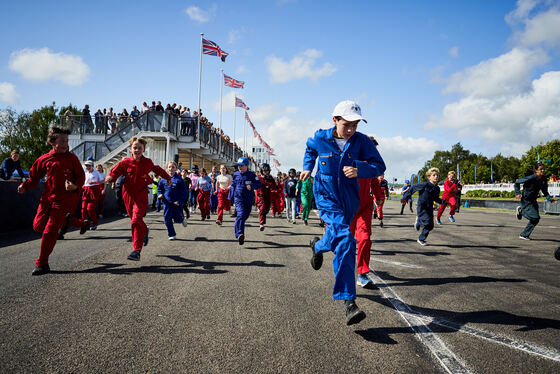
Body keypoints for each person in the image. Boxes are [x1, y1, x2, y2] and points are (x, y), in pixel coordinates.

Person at [301, 100, 385, 325]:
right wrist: (308, 167)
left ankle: (317, 246)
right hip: (327, 197)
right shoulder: (320, 137)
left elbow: (379, 165)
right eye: (346, 124)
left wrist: (360, 169)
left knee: (337, 239)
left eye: (355, 125)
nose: (351, 130)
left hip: (350, 198)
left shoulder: (362, 142)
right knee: (346, 240)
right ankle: (349, 301)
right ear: (335, 120)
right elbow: (310, 149)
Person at [17, 126, 89, 275]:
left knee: (50, 231)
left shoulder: (72, 158)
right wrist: (25, 186)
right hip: (47, 198)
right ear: (52, 141)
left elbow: (81, 177)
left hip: (65, 199)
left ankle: (42, 264)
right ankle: (73, 222)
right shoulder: (43, 160)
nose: (65, 143)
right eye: (62, 140)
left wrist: (75, 186)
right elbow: (33, 178)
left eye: (67, 140)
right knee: (38, 227)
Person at [105, 137, 171, 261]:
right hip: (128, 196)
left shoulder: (148, 162)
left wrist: (167, 177)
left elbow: (157, 169)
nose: (137, 150)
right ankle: (145, 230)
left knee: (135, 220)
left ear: (143, 150)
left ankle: (136, 250)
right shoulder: (125, 162)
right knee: (135, 220)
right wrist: (110, 178)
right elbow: (114, 172)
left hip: (141, 195)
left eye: (139, 148)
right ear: (131, 149)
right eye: (135, 148)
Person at [514, 163, 557, 240]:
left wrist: (550, 198)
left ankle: (524, 235)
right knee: (535, 217)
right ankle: (521, 211)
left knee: (536, 219)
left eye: (544, 169)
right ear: (536, 170)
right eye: (541, 169)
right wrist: (517, 193)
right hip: (526, 199)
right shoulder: (531, 177)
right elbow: (517, 182)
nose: (543, 171)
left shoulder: (543, 179)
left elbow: (545, 191)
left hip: (533, 200)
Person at [350, 175, 377, 289]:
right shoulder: (345, 158)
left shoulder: (369, 158)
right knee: (344, 242)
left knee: (365, 238)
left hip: (365, 206)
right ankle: (317, 247)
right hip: (347, 204)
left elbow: (374, 178)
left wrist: (378, 195)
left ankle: (362, 274)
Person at [228, 157, 262, 245]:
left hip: (248, 199)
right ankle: (240, 234)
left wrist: (252, 185)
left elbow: (259, 184)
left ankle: (239, 231)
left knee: (244, 216)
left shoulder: (251, 175)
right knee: (241, 214)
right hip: (238, 199)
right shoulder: (236, 174)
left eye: (242, 166)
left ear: (246, 166)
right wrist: (230, 196)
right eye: (239, 166)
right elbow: (233, 185)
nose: (239, 167)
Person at [411, 168, 443, 246]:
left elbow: (436, 198)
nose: (436, 177)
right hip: (422, 207)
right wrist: (405, 197)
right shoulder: (425, 184)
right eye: (434, 175)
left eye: (437, 175)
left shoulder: (437, 188)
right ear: (429, 177)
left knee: (431, 226)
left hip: (429, 207)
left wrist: (444, 202)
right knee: (427, 221)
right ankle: (419, 221)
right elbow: (413, 188)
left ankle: (420, 238)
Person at [158, 161, 188, 240]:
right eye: (169, 167)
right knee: (167, 218)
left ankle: (181, 219)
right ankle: (172, 234)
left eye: (173, 167)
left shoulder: (179, 179)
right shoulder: (163, 179)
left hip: (176, 203)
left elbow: (184, 192)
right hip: (167, 202)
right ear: (167, 168)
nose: (171, 168)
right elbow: (159, 189)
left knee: (177, 219)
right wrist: (159, 194)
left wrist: (179, 201)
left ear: (176, 169)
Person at [81, 160, 103, 230]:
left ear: (92, 166)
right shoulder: (85, 173)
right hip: (86, 190)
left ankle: (94, 223)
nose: (87, 167)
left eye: (89, 166)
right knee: (83, 209)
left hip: (94, 191)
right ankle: (86, 223)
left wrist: (95, 182)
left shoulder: (97, 173)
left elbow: (103, 180)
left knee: (90, 208)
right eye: (86, 166)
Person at [256, 163, 275, 231]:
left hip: (268, 196)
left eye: (267, 171)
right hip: (260, 196)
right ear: (261, 171)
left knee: (266, 209)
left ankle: (262, 215)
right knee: (262, 208)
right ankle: (261, 224)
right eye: (264, 171)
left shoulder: (270, 178)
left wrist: (269, 185)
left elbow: (274, 186)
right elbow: (254, 184)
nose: (266, 172)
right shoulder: (258, 178)